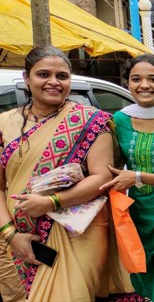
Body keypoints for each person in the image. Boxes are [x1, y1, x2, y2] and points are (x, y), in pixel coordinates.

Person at [0, 46, 141, 301]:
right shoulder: (3, 124)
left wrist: (51, 202)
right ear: (26, 78)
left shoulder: (90, 121)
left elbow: (102, 177)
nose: (53, 82)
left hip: (78, 231)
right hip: (19, 231)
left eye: (62, 76)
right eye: (43, 74)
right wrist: (11, 235)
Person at [98, 54, 154, 302]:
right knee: (142, 279)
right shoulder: (118, 120)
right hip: (134, 214)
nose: (144, 85)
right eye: (136, 79)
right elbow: (114, 170)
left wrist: (137, 176)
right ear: (127, 82)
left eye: (153, 79)